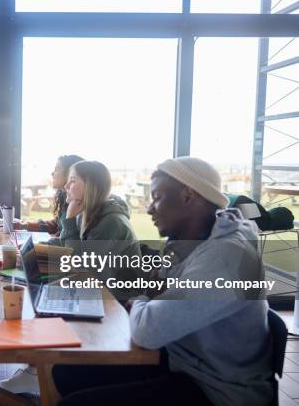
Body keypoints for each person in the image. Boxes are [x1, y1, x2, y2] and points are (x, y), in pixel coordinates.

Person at [52, 157, 272, 406]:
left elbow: (147, 329)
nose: (148, 208)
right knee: (66, 371)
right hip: (180, 361)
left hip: (217, 390)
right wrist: (149, 297)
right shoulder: (186, 243)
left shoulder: (226, 258)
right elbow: (153, 294)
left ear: (188, 196)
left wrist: (143, 300)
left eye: (157, 197)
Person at [1, 160, 140, 395]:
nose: (66, 186)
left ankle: (38, 374)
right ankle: (35, 369)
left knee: (46, 305)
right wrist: (33, 252)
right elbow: (69, 250)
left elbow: (79, 267)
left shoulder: (112, 223)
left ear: (91, 186)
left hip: (116, 302)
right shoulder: (94, 213)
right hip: (98, 291)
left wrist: (69, 219)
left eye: (73, 181)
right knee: (41, 298)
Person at [15, 155, 84, 236]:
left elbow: (67, 243)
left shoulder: (79, 206)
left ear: (70, 174)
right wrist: (24, 225)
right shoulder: (66, 199)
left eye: (57, 169)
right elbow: (57, 225)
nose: (52, 173)